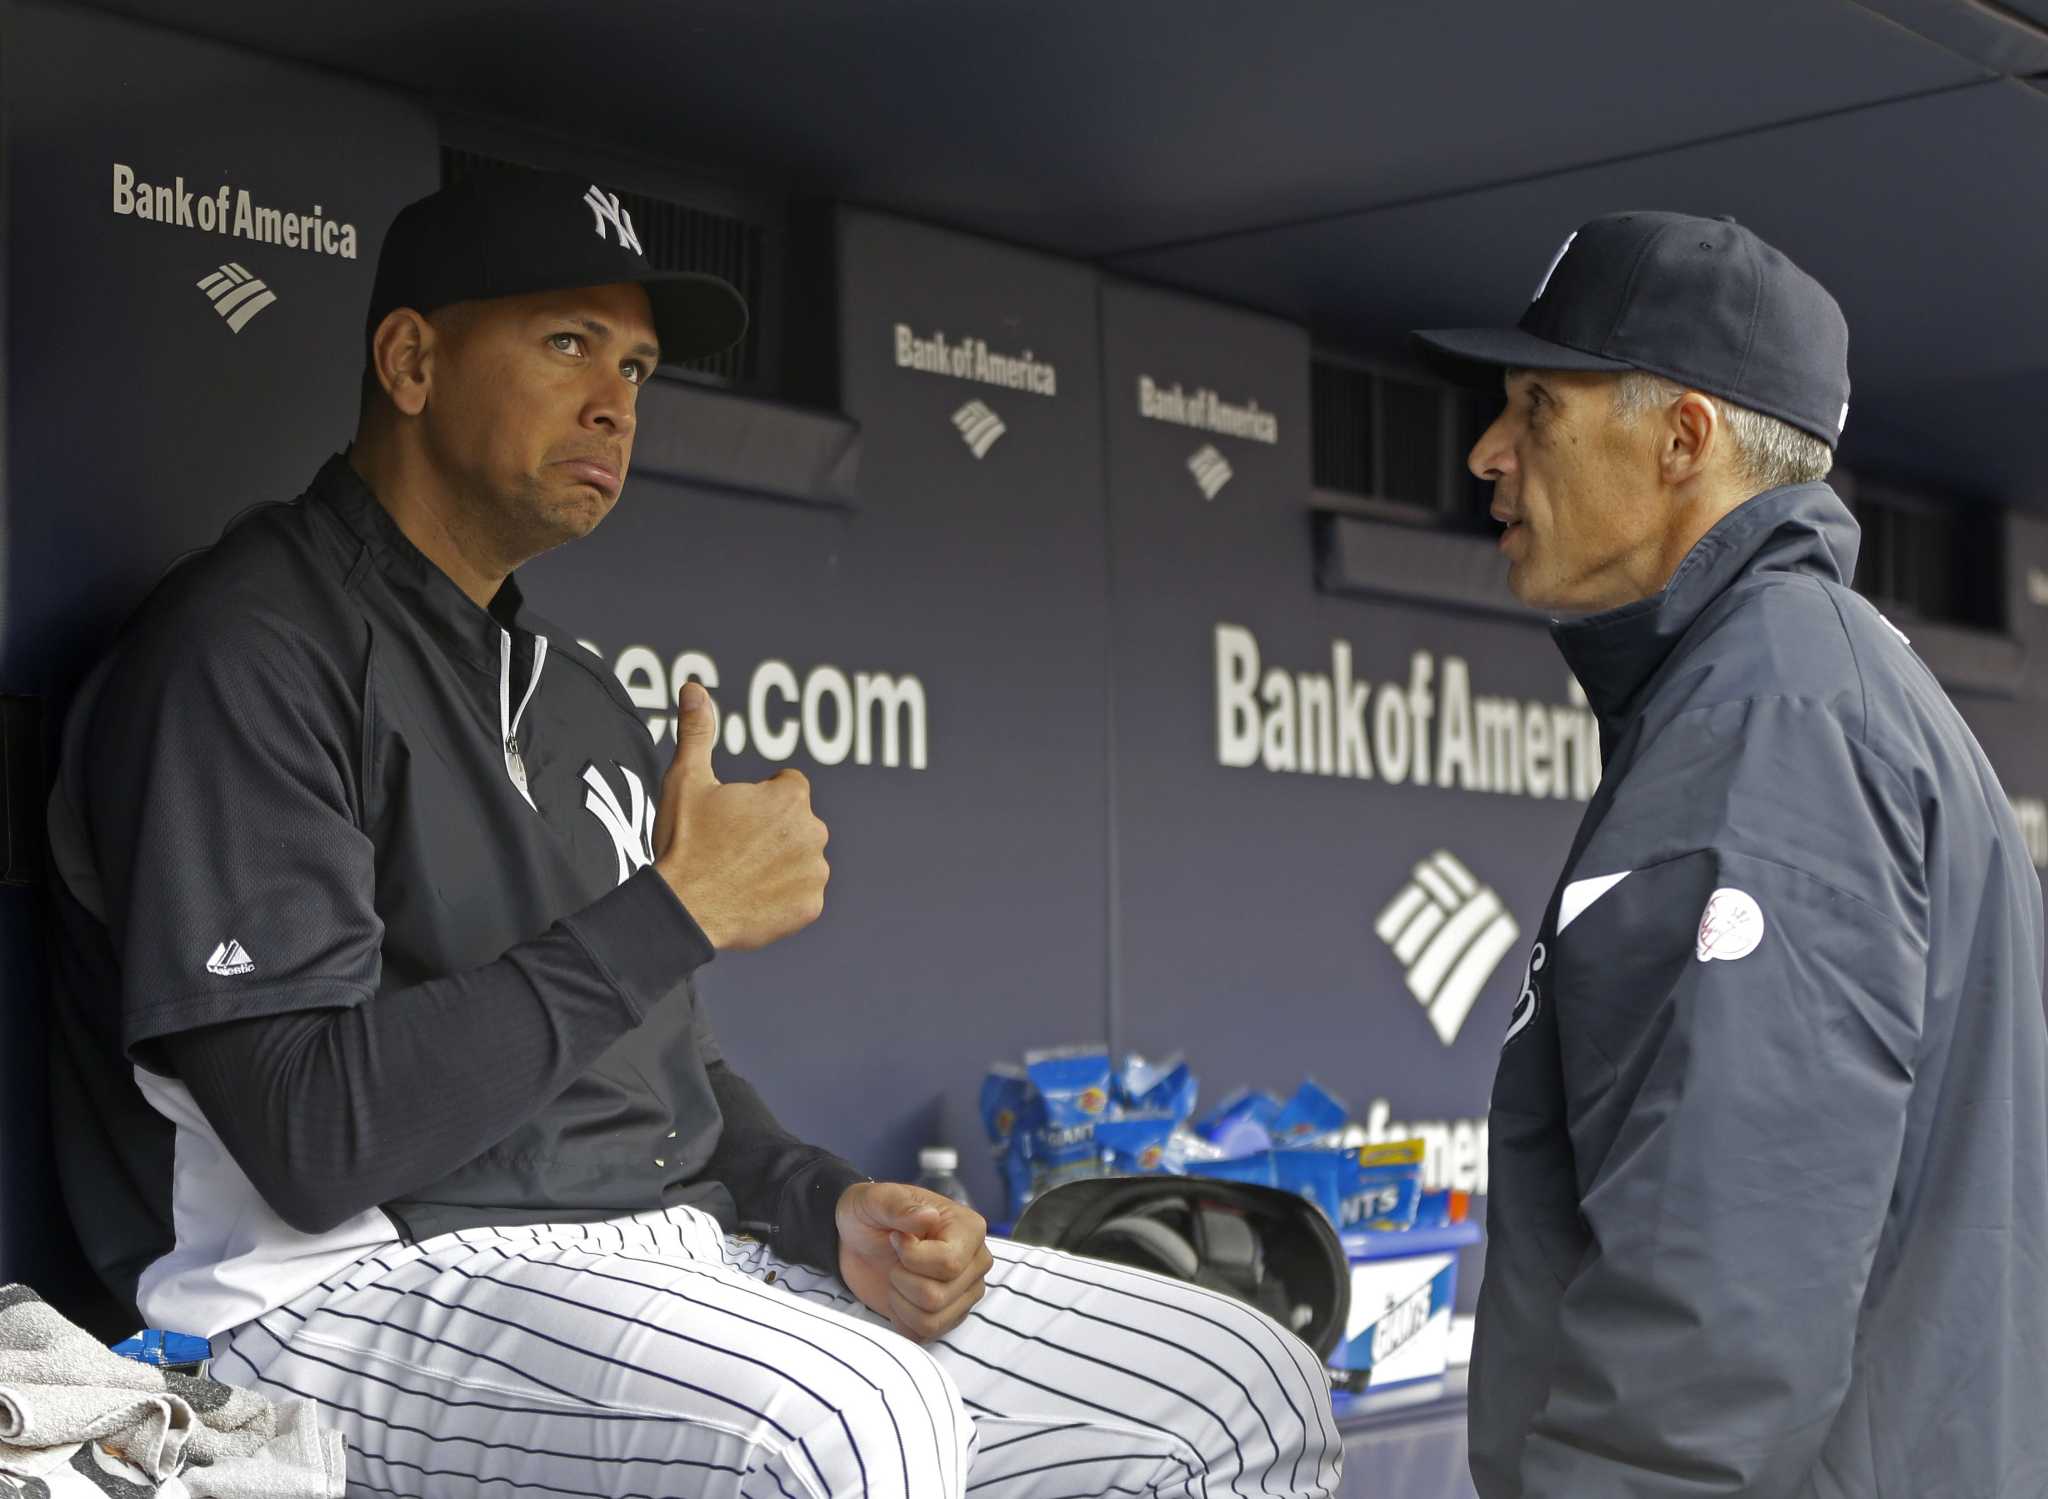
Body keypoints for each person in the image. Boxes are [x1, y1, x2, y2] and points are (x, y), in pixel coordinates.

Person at [46, 171, 1342, 1499]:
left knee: (1241, 1381)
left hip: (649, 1255)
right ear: (413, 359)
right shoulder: (250, 651)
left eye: (639, 366)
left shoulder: (587, 701)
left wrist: (827, 1200)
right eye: (566, 344)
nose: (616, 400)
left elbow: (669, 1093)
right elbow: (313, 1138)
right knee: (854, 1419)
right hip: (326, 1292)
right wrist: (675, 907)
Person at [1412, 210, 2048, 1497]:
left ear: (1681, 439)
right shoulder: (1804, 680)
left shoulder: (1774, 713)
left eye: (1535, 406)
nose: (1485, 452)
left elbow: (1723, 1287)